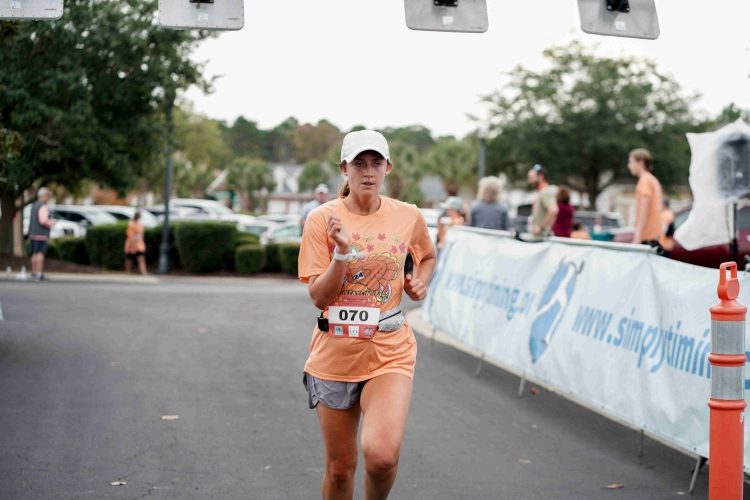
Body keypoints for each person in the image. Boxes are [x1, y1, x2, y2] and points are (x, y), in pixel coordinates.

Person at [298, 130, 436, 500]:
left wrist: (418, 282)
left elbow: (427, 255)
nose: (368, 171)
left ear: (388, 167)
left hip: (389, 349)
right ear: (344, 169)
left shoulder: (407, 215)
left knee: (382, 457)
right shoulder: (322, 219)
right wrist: (342, 253)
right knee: (340, 470)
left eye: (376, 163)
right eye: (359, 163)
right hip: (335, 354)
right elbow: (319, 296)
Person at [628, 148, 664, 245]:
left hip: (647, 236)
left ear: (641, 162)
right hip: (655, 235)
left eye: (631, 162)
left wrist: (638, 237)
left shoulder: (644, 181)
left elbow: (644, 210)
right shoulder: (653, 180)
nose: (629, 166)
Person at [28, 187, 56, 281]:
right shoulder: (43, 206)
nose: (48, 198)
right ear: (43, 196)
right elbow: (43, 220)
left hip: (33, 233)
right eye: (47, 196)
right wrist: (51, 222)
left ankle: (34, 272)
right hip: (41, 234)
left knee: (34, 253)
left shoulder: (34, 205)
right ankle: (39, 273)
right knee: (40, 253)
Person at [527, 164, 558, 240]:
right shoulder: (541, 192)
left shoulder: (545, 191)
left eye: (532, 177)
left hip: (541, 239)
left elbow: (553, 210)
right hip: (539, 238)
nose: (529, 181)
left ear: (541, 177)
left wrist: (541, 228)